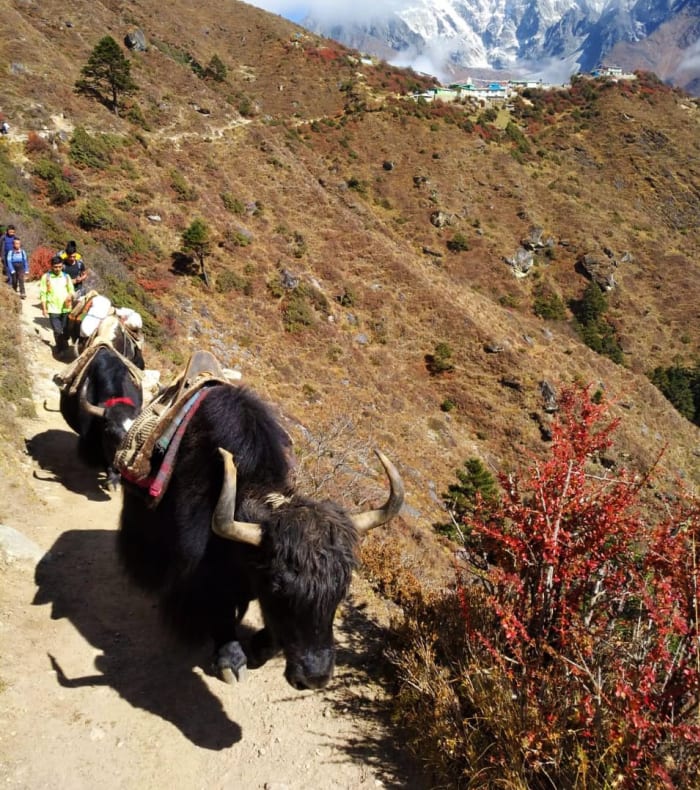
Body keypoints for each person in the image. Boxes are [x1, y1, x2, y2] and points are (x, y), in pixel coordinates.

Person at [40, 255, 75, 358]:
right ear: (51, 266)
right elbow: (43, 293)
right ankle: (60, 350)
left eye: (60, 266)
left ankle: (63, 345)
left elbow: (71, 290)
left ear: (62, 266)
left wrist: (70, 295)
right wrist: (44, 308)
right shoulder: (46, 277)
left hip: (66, 308)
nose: (58, 269)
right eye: (55, 267)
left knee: (65, 330)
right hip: (53, 308)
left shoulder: (66, 276)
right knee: (57, 331)